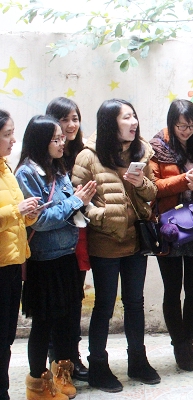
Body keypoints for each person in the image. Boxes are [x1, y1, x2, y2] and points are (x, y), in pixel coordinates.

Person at [72, 99, 160, 392]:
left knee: (135, 303)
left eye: (134, 116)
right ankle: (98, 366)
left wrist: (140, 183)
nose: (134, 122)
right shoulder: (88, 157)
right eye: (126, 117)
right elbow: (77, 201)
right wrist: (104, 217)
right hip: (105, 243)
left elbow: (152, 193)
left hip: (136, 241)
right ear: (111, 123)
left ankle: (138, 361)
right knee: (105, 306)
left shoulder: (141, 151)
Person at [16, 115, 97, 400]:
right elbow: (39, 220)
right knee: (44, 323)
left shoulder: (58, 168)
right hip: (44, 260)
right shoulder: (26, 173)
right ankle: (37, 383)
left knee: (67, 319)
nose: (62, 143)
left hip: (66, 255)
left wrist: (79, 201)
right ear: (40, 141)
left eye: (62, 138)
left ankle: (62, 373)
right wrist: (76, 201)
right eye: (56, 139)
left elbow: (64, 208)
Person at [149, 99, 193, 371]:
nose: (186, 131)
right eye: (181, 126)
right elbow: (154, 187)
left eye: (191, 126)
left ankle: (188, 341)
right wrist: (184, 180)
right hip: (170, 227)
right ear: (171, 124)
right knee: (172, 289)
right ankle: (178, 343)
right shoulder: (157, 148)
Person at [45, 97, 89, 382]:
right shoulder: (46, 158)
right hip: (53, 238)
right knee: (55, 303)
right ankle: (57, 360)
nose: (71, 125)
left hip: (79, 234)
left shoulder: (83, 152)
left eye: (75, 119)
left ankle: (72, 357)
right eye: (65, 120)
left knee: (75, 297)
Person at [0, 110, 42, 400]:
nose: (13, 140)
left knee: (6, 335)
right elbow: (11, 211)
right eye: (7, 134)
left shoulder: (6, 169)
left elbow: (17, 216)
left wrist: (30, 213)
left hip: (13, 263)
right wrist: (17, 210)